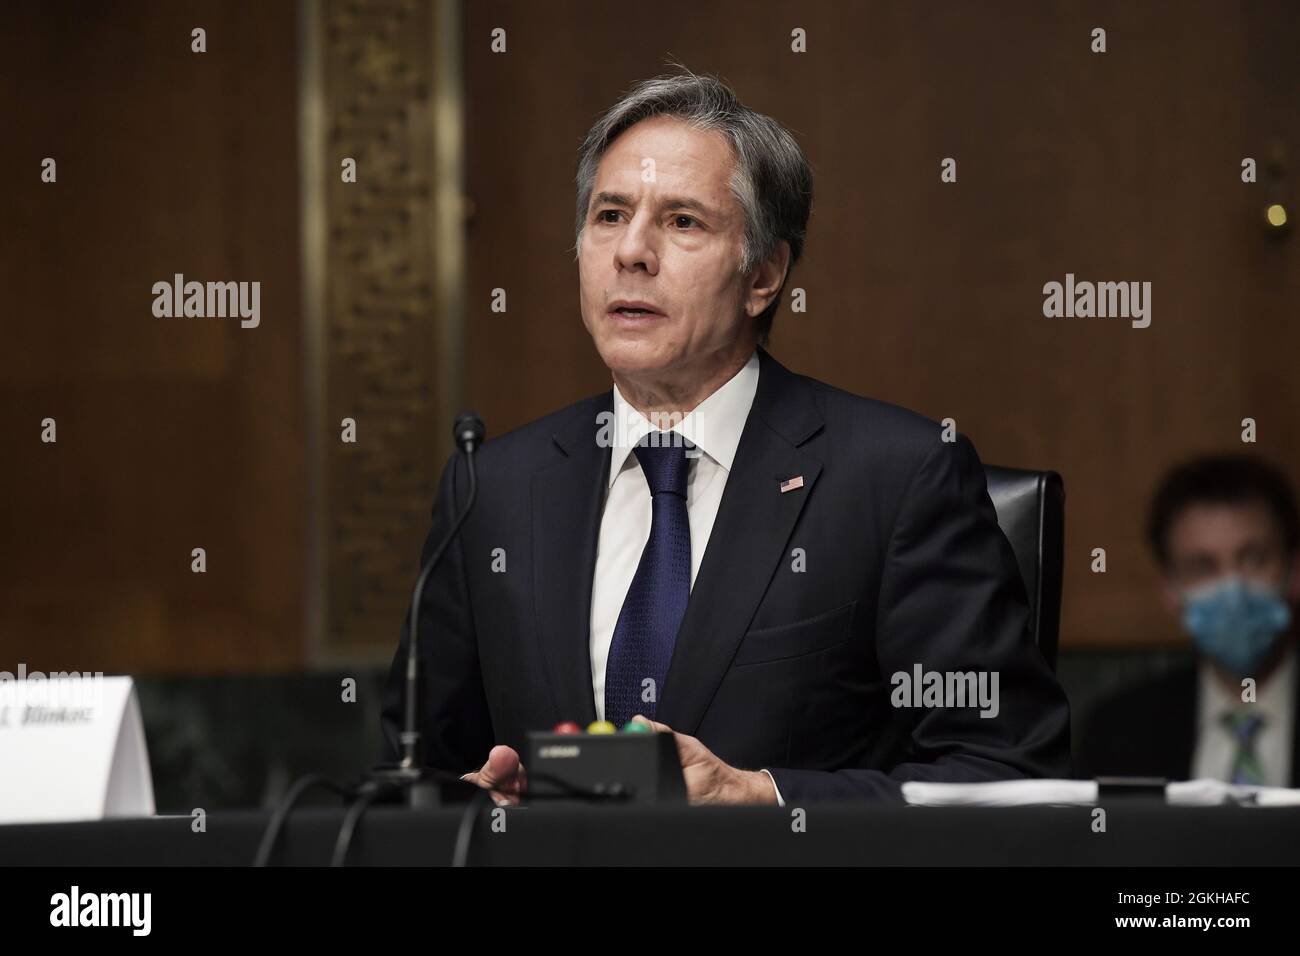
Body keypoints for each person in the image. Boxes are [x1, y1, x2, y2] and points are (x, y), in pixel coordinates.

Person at [380, 69, 1070, 804]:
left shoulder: (898, 478)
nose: (631, 252)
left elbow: (1010, 773)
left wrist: (765, 799)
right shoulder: (492, 489)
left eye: (682, 222)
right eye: (609, 215)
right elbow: (411, 772)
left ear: (765, 275)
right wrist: (468, 805)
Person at [1078, 455, 1299, 785]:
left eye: (1254, 559)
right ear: (1170, 590)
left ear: (1294, 570)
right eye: (1202, 567)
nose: (1232, 589)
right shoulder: (1118, 729)